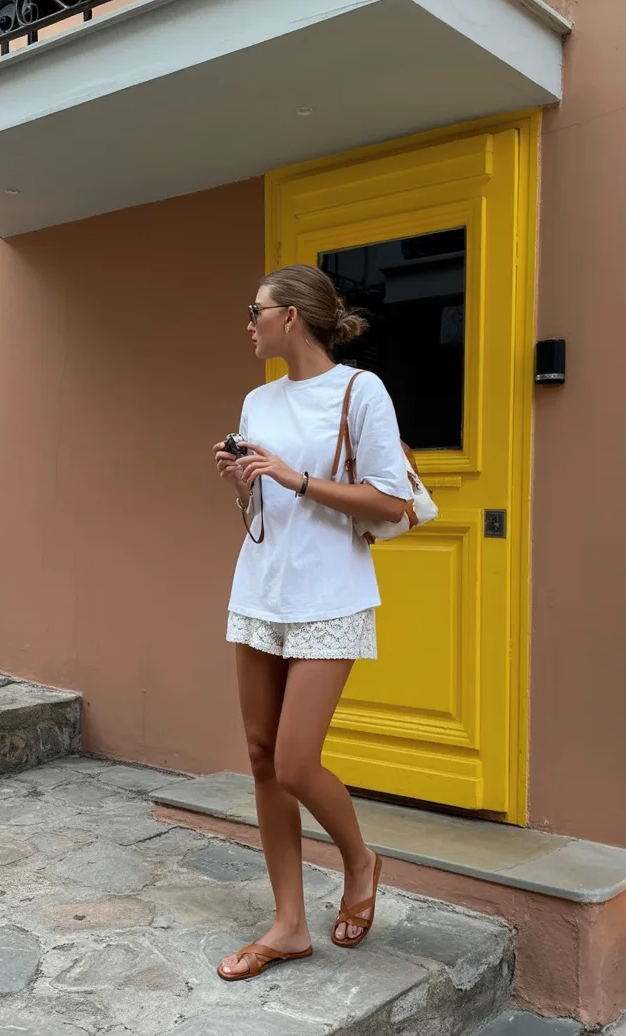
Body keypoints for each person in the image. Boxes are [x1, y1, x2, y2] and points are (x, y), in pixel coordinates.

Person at [212, 264, 411, 982]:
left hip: (330, 593)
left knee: (296, 761)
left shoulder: (361, 391)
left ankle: (359, 859)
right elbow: (262, 511)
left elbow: (391, 501)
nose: (249, 323)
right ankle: (290, 924)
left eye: (256, 310)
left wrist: (293, 476)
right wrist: (244, 482)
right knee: (262, 756)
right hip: (261, 589)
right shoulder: (257, 400)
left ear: (290, 317)